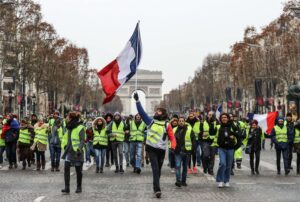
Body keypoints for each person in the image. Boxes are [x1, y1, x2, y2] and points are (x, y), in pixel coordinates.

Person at [134, 92, 176, 198]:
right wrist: (137, 101)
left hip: (161, 150)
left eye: (159, 111)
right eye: (156, 110)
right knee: (156, 169)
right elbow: (142, 113)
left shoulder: (167, 124)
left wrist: (173, 146)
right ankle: (157, 189)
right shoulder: (150, 122)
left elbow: (172, 137)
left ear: (163, 113)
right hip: (151, 149)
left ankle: (155, 186)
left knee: (159, 171)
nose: (156, 112)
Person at [61, 112, 85, 194]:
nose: (66, 118)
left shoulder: (80, 127)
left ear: (72, 118)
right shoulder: (69, 127)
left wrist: (79, 148)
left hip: (77, 151)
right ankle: (67, 187)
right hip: (69, 151)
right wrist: (64, 146)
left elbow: (82, 140)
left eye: (68, 117)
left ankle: (79, 187)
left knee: (78, 170)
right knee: (66, 168)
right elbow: (64, 138)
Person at [213, 113, 238, 188]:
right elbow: (213, 133)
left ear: (228, 118)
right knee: (222, 163)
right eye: (222, 117)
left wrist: (233, 137)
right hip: (221, 148)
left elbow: (238, 134)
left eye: (225, 117)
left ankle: (226, 180)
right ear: (220, 119)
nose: (224, 118)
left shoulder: (232, 126)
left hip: (230, 148)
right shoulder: (218, 126)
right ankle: (220, 180)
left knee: (229, 165)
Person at [173, 117, 195, 187]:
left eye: (182, 121)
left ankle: (183, 181)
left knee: (185, 167)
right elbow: (171, 140)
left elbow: (193, 139)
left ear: (184, 122)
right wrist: (172, 148)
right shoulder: (174, 129)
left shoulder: (189, 129)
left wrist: (192, 149)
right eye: (180, 121)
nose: (181, 122)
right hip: (177, 151)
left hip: (187, 151)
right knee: (178, 166)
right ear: (178, 122)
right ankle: (178, 181)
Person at [200, 111, 217, 175]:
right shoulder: (203, 122)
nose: (210, 116)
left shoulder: (216, 123)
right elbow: (200, 131)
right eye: (209, 115)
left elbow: (217, 131)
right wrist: (202, 135)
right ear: (207, 115)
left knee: (212, 156)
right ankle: (205, 167)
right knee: (205, 156)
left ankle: (210, 170)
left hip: (213, 141)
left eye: (212, 115)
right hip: (205, 141)